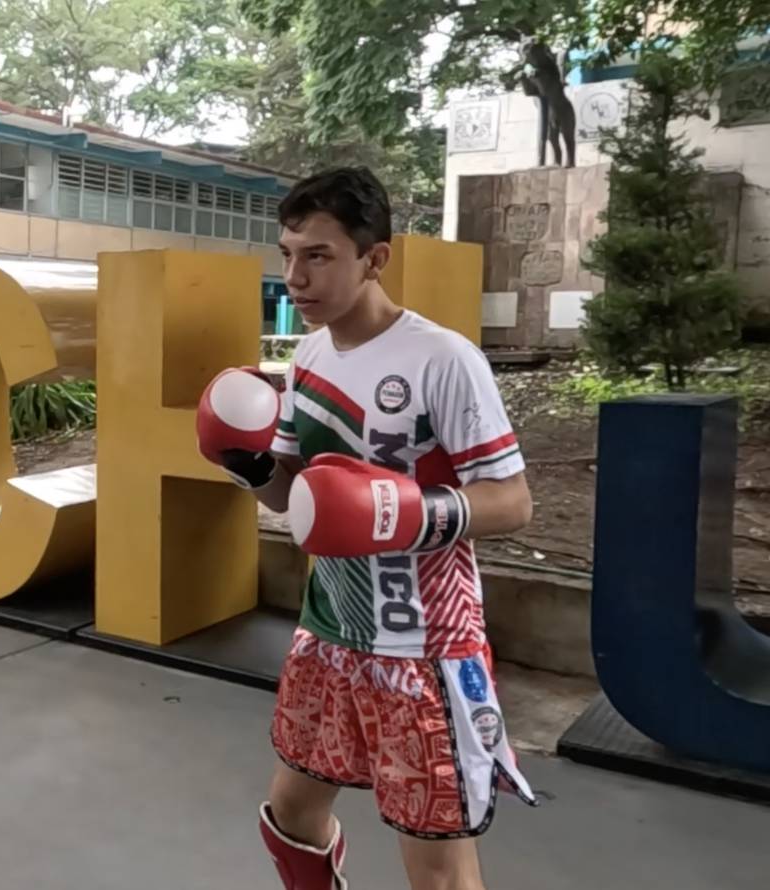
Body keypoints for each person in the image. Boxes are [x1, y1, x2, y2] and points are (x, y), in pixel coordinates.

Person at [196, 167, 537, 890]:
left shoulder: (443, 360)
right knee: (290, 815)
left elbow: (512, 502)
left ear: (374, 258)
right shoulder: (310, 356)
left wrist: (408, 511)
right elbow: (298, 501)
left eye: (318, 255)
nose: (295, 275)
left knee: (439, 871)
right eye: (287, 253)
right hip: (329, 632)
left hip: (422, 649)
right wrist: (249, 467)